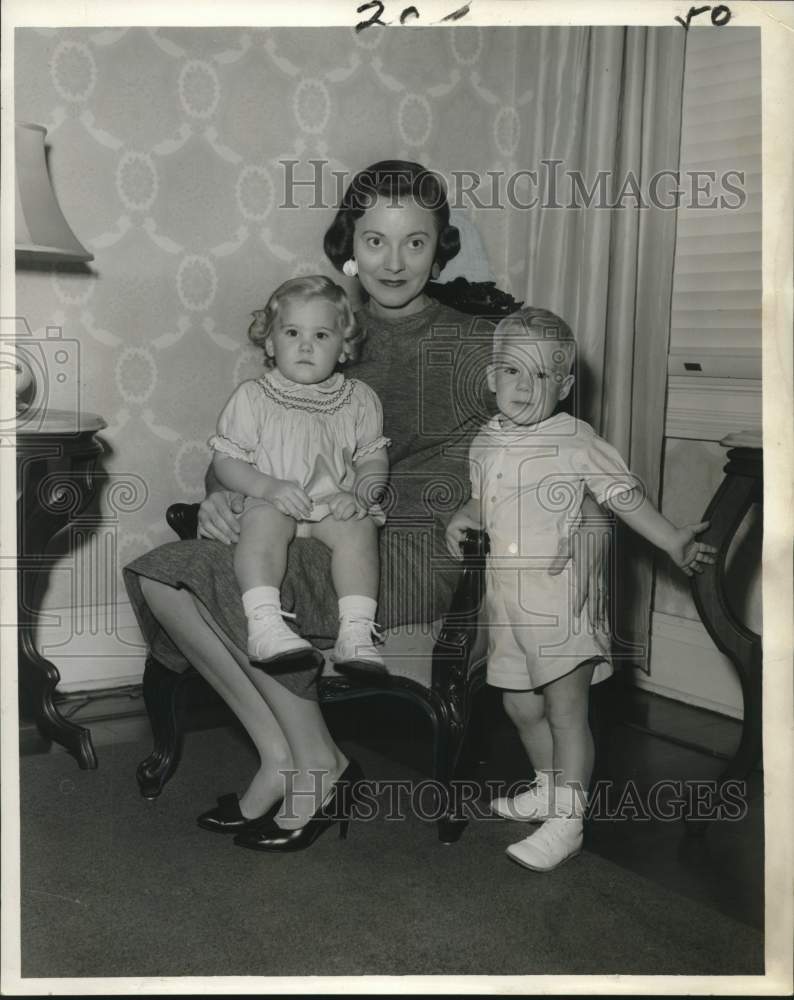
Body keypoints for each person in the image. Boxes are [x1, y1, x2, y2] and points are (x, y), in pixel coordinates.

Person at [124, 159, 498, 852]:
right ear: (348, 244)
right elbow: (256, 435)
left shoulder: (475, 340)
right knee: (161, 577)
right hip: (300, 516)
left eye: (415, 242)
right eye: (375, 240)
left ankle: (317, 764)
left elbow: (518, 441)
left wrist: (477, 502)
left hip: (405, 539)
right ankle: (286, 754)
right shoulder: (320, 319)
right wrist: (220, 498)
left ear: (440, 246)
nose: (393, 260)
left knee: (186, 576)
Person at [445, 306, 717, 872]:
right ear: (492, 377)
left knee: (567, 713)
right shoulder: (485, 440)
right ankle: (547, 788)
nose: (525, 386)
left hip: (560, 603)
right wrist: (464, 517)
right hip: (507, 608)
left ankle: (568, 821)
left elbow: (622, 496)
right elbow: (483, 499)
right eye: (514, 372)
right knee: (520, 706)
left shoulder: (574, 438)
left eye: (543, 376)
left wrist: (670, 539)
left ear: (564, 386)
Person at [209, 275, 389, 674]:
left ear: (344, 348)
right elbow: (227, 461)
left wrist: (359, 494)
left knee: (359, 527)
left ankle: (356, 633)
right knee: (262, 523)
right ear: (271, 343)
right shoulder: (254, 398)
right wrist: (267, 487)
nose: (306, 345)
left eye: (322, 335)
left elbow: (373, 460)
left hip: (329, 506)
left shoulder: (358, 399)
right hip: (273, 500)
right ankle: (265, 625)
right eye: (292, 332)